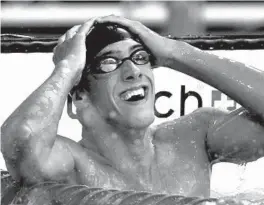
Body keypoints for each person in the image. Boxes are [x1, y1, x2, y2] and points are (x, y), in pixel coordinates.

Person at [1, 16, 264, 198]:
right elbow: (21, 142)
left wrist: (175, 52)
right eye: (109, 63)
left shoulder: (194, 139)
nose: (133, 71)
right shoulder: (74, 166)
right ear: (79, 99)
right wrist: (67, 68)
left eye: (140, 57)